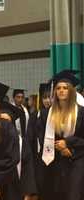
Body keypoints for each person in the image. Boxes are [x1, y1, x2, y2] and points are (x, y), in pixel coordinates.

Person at [36, 70, 84, 200]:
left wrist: (69, 145)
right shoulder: (46, 114)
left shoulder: (81, 112)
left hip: (75, 160)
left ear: (72, 91)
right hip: (53, 160)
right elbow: (41, 136)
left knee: (73, 194)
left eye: (65, 88)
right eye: (58, 88)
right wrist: (59, 147)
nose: (61, 91)